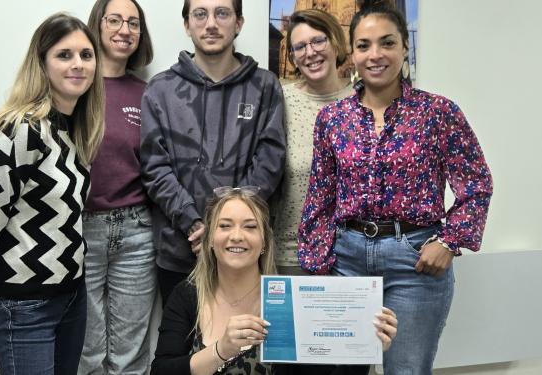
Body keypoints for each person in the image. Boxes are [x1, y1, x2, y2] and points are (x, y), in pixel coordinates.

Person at [297, 0, 493, 374]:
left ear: (405, 47)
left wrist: (449, 242)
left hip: (414, 264)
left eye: (387, 43)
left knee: (405, 370)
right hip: (347, 262)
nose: (376, 55)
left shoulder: (438, 113)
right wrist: (317, 263)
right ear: (351, 53)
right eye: (364, 45)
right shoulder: (332, 119)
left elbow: (477, 184)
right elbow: (320, 198)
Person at [0, 13, 104, 374]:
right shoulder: (20, 131)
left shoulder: (74, 131)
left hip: (71, 297)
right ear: (42, 63)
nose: (78, 64)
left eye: (86, 54)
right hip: (23, 305)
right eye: (64, 55)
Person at [151, 187, 398, 375]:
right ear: (210, 241)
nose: (236, 236)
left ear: (264, 242)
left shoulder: (291, 302)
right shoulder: (187, 295)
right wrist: (221, 350)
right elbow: (161, 370)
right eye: (224, 226)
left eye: (250, 227)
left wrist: (366, 346)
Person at [140, 0, 286, 304]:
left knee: (244, 346)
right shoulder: (160, 90)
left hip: (243, 249)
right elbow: (155, 166)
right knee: (180, 347)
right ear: (187, 24)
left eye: (222, 13)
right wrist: (194, 224)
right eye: (200, 14)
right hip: (180, 249)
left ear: (239, 23)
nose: (211, 24)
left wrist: (226, 224)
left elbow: (270, 160)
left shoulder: (265, 86)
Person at [78, 1, 154, 374]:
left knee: (129, 354)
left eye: (134, 23)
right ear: (98, 24)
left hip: (137, 232)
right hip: (80, 231)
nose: (125, 30)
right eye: (115, 20)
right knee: (86, 351)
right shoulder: (75, 85)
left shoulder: (148, 94)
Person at [273, 9, 353, 276]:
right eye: (300, 47)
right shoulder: (280, 101)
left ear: (335, 42)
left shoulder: (363, 100)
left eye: (318, 41)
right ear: (292, 56)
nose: (310, 52)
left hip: (354, 255)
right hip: (290, 254)